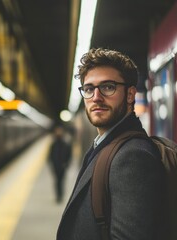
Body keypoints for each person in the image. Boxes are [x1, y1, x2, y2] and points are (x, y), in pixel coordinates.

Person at [56, 48, 165, 239]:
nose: (96, 97)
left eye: (108, 87)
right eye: (89, 89)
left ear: (130, 95)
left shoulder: (132, 156)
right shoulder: (105, 144)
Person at [48, 126, 72, 203]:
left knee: (61, 181)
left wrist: (67, 164)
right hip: (56, 166)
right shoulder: (53, 144)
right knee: (57, 181)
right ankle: (58, 196)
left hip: (62, 166)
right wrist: (51, 164)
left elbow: (69, 155)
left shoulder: (66, 144)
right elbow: (50, 155)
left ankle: (60, 195)